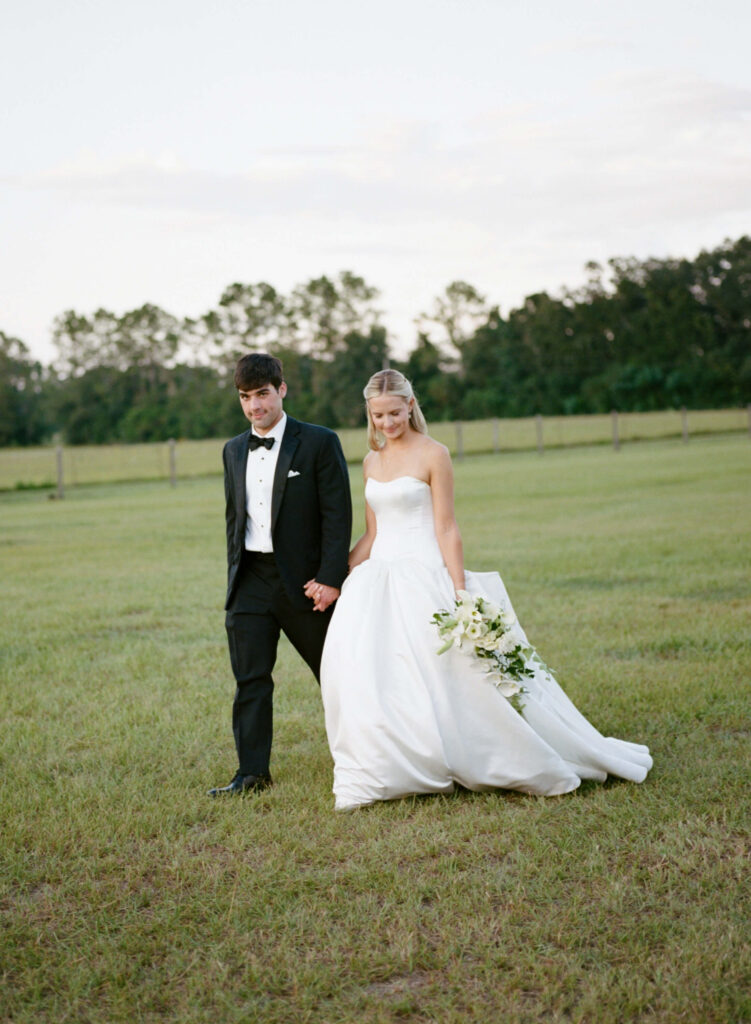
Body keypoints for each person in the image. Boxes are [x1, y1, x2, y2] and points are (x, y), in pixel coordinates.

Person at [320, 369, 652, 811]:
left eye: (395, 413)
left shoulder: (434, 454)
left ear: (411, 406)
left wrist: (460, 590)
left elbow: (446, 526)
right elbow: (372, 532)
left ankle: (487, 754)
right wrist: (338, 574)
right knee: (377, 675)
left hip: (424, 574)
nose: (387, 423)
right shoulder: (371, 461)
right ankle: (394, 764)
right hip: (378, 579)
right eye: (378, 416)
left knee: (455, 677)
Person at [210, 353, 352, 796]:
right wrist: (234, 580)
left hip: (307, 584)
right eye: (245, 398)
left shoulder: (318, 441)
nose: (255, 406)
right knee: (250, 679)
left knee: (336, 673)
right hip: (250, 580)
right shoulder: (233, 450)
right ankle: (251, 774)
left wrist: (331, 578)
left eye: (263, 395)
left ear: (282, 390)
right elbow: (236, 519)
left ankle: (366, 758)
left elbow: (338, 514)